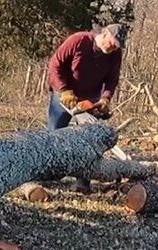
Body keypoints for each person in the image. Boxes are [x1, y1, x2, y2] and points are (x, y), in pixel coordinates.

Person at [46, 23, 127, 193]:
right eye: (112, 42)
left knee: (90, 139)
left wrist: (105, 98)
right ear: (105, 34)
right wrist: (63, 90)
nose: (113, 48)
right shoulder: (79, 40)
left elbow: (112, 80)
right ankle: (47, 175)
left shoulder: (114, 54)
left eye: (117, 46)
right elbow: (55, 64)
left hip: (89, 98)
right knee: (55, 135)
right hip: (64, 95)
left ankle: (83, 181)